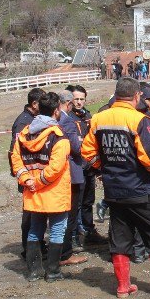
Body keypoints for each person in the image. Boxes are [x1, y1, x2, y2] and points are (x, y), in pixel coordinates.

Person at [81, 77, 150, 297]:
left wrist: (103, 170)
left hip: (114, 190)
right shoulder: (139, 119)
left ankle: (123, 286)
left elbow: (87, 152)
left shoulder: (98, 118)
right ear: (137, 96)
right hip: (141, 189)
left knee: (119, 237)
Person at [10, 92, 72, 282]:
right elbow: (55, 168)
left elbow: (16, 160)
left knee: (35, 229)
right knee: (57, 229)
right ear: (56, 111)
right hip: (54, 192)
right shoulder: (59, 137)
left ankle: (33, 270)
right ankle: (53, 271)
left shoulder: (24, 134)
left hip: (33, 193)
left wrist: (27, 180)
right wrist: (39, 182)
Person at [68, 84, 108, 248]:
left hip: (90, 166)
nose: (79, 102)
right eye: (76, 99)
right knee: (75, 203)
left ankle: (89, 230)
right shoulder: (67, 118)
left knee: (88, 201)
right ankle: (75, 235)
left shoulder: (89, 117)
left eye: (81, 99)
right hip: (76, 166)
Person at [9, 87, 46, 259]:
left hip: (33, 172)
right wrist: (22, 176)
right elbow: (16, 151)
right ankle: (28, 249)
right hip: (28, 174)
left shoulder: (33, 119)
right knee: (30, 214)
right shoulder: (23, 123)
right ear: (34, 104)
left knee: (37, 212)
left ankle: (37, 245)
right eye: (42, 102)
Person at [55, 90, 89, 267]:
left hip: (56, 173)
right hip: (72, 172)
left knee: (59, 215)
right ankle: (65, 253)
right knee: (71, 214)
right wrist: (81, 142)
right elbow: (75, 147)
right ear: (68, 103)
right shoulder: (66, 121)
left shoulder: (51, 119)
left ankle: (58, 250)